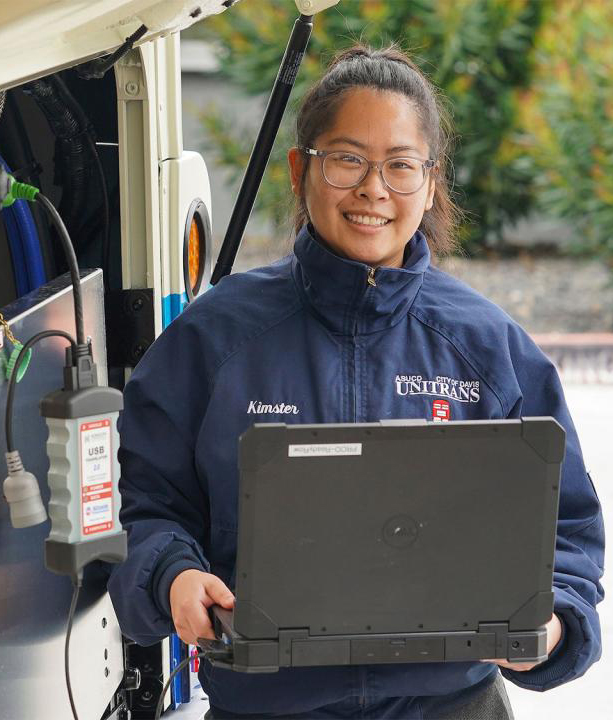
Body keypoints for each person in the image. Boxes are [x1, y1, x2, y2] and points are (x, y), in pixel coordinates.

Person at [108, 45, 604, 719]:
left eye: (401, 166)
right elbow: (145, 508)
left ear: (430, 184)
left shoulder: (487, 347)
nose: (374, 189)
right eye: (347, 159)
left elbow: (566, 530)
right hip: (267, 708)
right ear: (298, 170)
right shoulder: (213, 340)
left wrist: (555, 624)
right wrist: (174, 576)